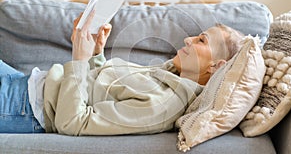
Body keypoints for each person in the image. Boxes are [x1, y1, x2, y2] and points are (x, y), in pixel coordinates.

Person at [0, 11, 244, 135]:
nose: (188, 39)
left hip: (23, 107)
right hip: (26, 84)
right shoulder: (171, 74)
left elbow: (73, 122)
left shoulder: (163, 105)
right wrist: (96, 54)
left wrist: (80, 59)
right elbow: (98, 91)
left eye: (201, 40)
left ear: (216, 67)